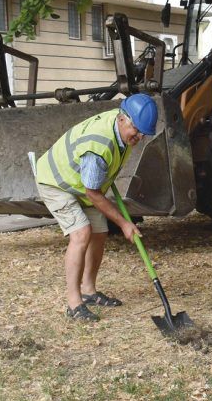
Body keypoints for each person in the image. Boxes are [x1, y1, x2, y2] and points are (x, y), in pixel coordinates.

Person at [35, 93, 158, 322]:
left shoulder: (122, 127)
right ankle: (73, 303)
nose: (139, 137)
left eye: (144, 133)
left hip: (82, 184)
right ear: (122, 119)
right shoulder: (98, 145)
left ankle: (89, 291)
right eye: (137, 130)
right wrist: (124, 223)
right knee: (81, 233)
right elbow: (93, 193)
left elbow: (94, 186)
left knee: (99, 232)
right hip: (57, 182)